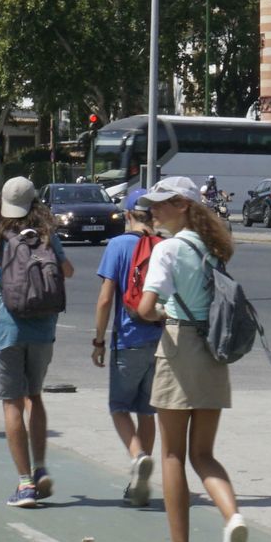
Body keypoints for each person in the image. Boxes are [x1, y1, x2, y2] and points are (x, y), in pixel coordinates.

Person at [133, 175, 247, 542]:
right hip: (213, 349)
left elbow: (146, 307)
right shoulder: (212, 249)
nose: (153, 210)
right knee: (204, 453)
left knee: (171, 455)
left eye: (162, 203)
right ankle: (232, 517)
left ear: (183, 205)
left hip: (180, 347)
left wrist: (160, 312)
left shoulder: (167, 251)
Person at [0, 177, 75, 507]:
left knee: (12, 403)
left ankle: (26, 483)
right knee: (35, 397)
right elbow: (68, 271)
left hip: (7, 331)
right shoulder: (46, 235)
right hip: (42, 330)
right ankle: (41, 467)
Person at [91, 187, 163, 506]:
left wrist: (98, 339)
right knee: (148, 411)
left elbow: (106, 299)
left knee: (119, 407)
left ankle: (138, 458)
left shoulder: (118, 246)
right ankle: (139, 479)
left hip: (129, 338)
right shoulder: (165, 245)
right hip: (162, 340)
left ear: (129, 215)